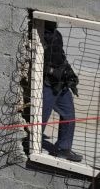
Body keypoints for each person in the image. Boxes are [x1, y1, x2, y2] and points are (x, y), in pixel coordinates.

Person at [42, 21, 82, 162]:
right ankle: (30, 144)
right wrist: (52, 71)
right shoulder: (38, 36)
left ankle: (63, 148)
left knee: (69, 114)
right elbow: (37, 62)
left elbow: (61, 58)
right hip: (47, 85)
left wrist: (69, 74)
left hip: (60, 85)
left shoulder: (57, 35)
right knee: (40, 118)